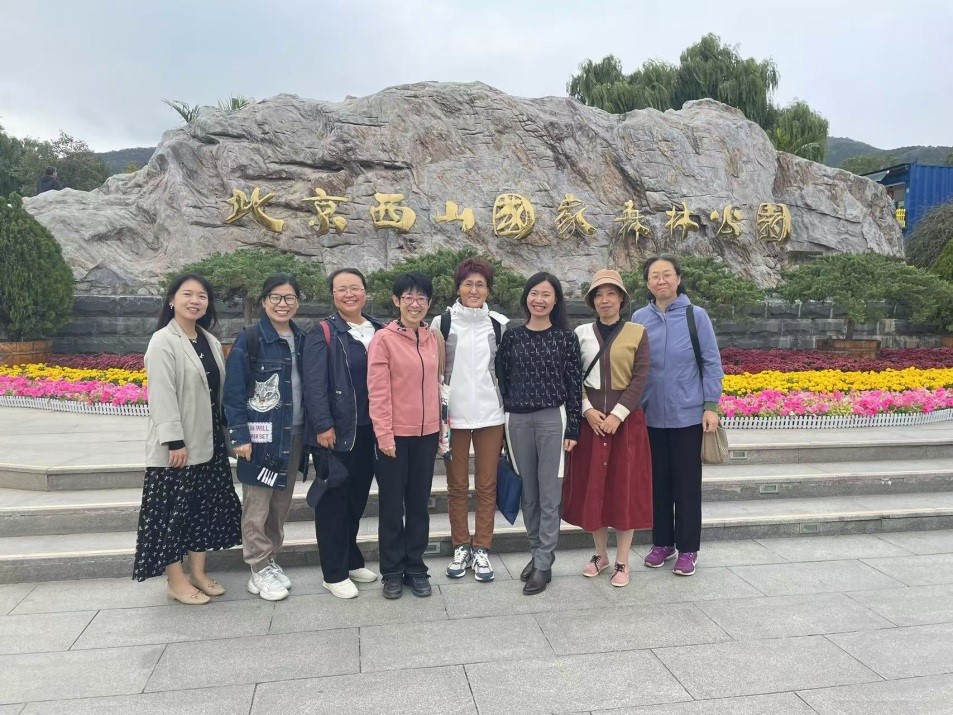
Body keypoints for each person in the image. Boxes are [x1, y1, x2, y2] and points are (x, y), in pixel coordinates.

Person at [134, 273, 241, 604]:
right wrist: (174, 441)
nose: (195, 301)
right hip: (178, 448)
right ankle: (175, 580)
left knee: (202, 511)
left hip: (210, 444)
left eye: (202, 296)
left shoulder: (209, 340)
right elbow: (161, 394)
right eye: (187, 294)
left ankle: (198, 572)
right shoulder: (163, 341)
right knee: (174, 515)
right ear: (172, 300)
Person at [632, 254, 724, 577]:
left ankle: (688, 549)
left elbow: (711, 361)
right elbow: (633, 366)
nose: (661, 280)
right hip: (650, 417)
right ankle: (662, 543)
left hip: (687, 416)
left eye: (667, 274)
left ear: (678, 278)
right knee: (657, 484)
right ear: (647, 283)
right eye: (654, 276)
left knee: (686, 485)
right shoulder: (639, 318)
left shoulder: (695, 316)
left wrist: (710, 406)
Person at [562, 269, 652, 587]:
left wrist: (617, 415)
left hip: (625, 423)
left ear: (622, 299)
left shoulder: (638, 332)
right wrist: (587, 410)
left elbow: (640, 377)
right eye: (599, 294)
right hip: (591, 423)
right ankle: (600, 554)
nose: (605, 300)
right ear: (592, 301)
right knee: (595, 488)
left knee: (623, 489)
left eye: (611, 293)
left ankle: (623, 560)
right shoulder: (581, 333)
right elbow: (572, 376)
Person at [223, 274, 306, 602]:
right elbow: (233, 392)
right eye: (276, 297)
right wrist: (240, 435)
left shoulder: (302, 337)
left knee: (280, 505)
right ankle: (257, 566)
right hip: (261, 439)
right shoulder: (251, 338)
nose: (282, 304)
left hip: (293, 436)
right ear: (264, 301)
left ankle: (270, 559)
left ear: (297, 302)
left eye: (289, 298)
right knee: (257, 504)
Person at [497, 272, 582, 595]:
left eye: (547, 294)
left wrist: (573, 427)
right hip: (516, 421)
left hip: (552, 420)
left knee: (549, 493)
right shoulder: (512, 337)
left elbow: (574, 385)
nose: (539, 300)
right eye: (534, 293)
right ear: (526, 297)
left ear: (556, 300)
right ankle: (536, 552)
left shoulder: (565, 339)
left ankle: (544, 562)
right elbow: (503, 380)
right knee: (528, 494)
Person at [302, 268, 384, 599]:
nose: (349, 294)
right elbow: (313, 384)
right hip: (336, 433)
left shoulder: (379, 329)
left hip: (370, 431)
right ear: (333, 295)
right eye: (341, 289)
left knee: (356, 500)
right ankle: (333, 572)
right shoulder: (322, 332)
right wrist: (323, 425)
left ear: (365, 291)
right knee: (333, 502)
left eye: (355, 288)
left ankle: (350, 560)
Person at [431, 258, 508, 582]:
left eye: (480, 285)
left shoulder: (499, 324)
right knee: (458, 486)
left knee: (487, 485)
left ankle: (482, 548)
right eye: (468, 284)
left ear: (488, 290)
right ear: (458, 288)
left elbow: (505, 370)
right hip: (454, 417)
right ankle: (461, 545)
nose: (474, 290)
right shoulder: (442, 323)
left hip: (491, 415)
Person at [368, 272, 443, 600]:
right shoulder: (383, 340)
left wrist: (439, 431)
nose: (415, 303)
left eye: (421, 298)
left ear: (429, 303)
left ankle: (416, 567)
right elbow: (378, 392)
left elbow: (438, 387)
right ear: (396, 301)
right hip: (394, 437)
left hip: (426, 435)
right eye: (408, 297)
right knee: (390, 506)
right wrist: (384, 435)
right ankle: (391, 571)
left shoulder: (432, 338)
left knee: (418, 505)